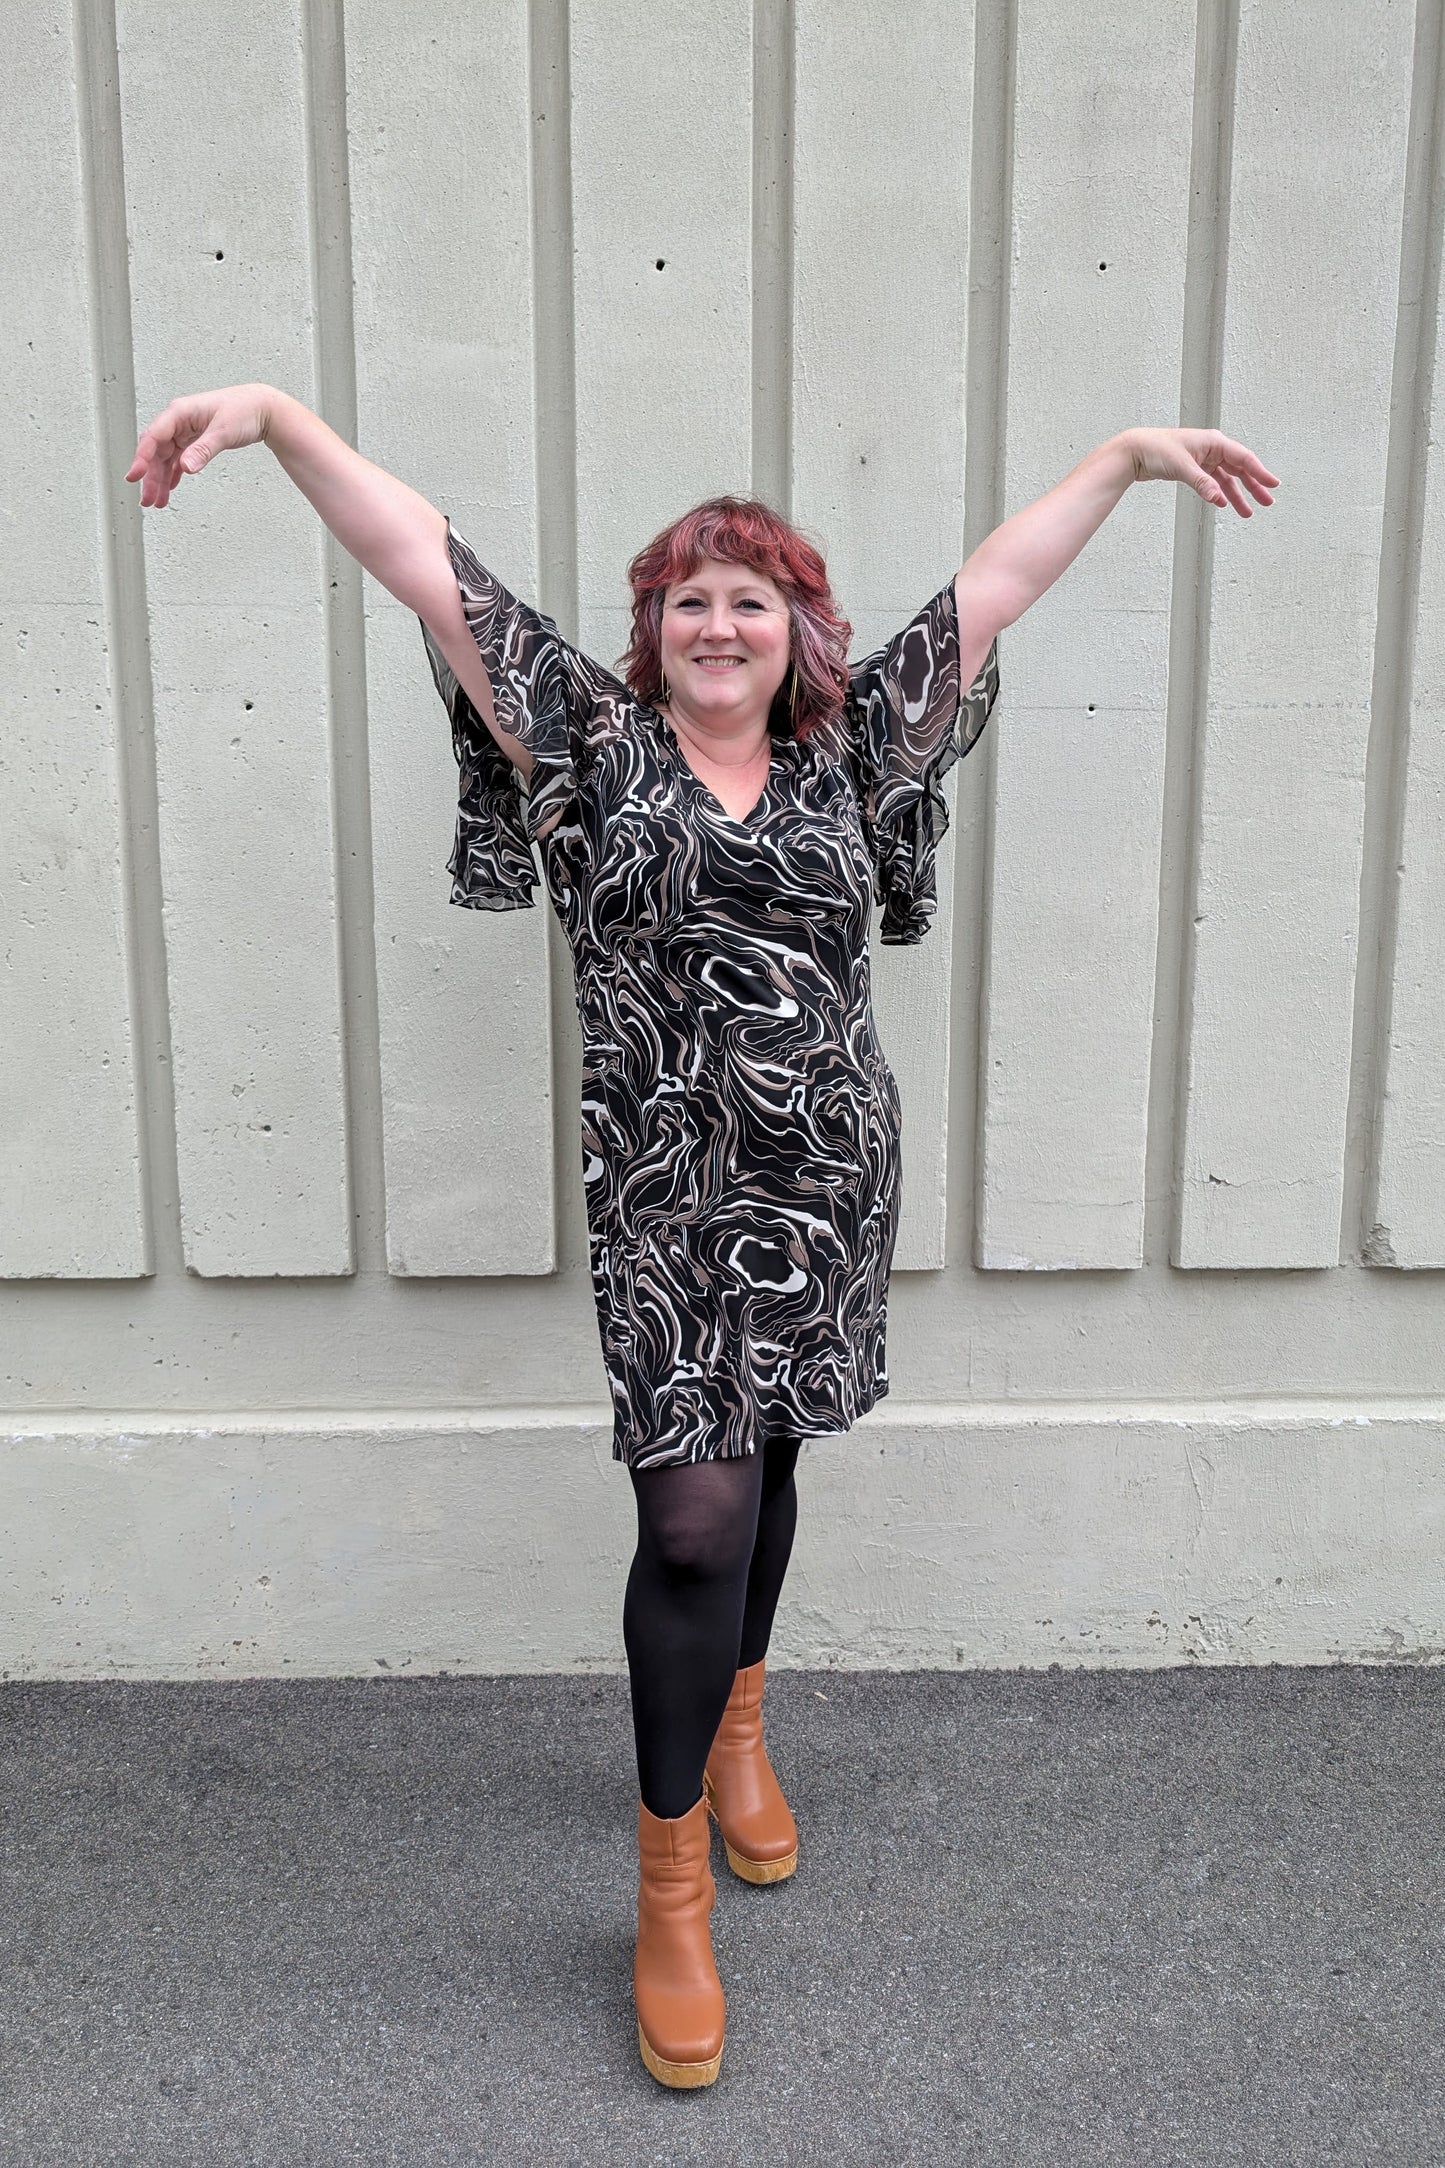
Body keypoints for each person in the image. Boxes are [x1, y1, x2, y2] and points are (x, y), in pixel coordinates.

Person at [126, 390, 1279, 2088]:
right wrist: (279, 420)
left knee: (779, 1451)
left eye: (753, 595)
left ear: (796, 631)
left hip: (826, 1174)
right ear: (648, 631)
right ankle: (670, 1896)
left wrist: (1117, 463)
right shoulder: (586, 748)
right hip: (664, 1196)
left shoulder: (851, 750)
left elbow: (988, 591)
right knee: (692, 1514)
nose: (719, 619)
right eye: (688, 594)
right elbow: (420, 561)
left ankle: (741, 1734)